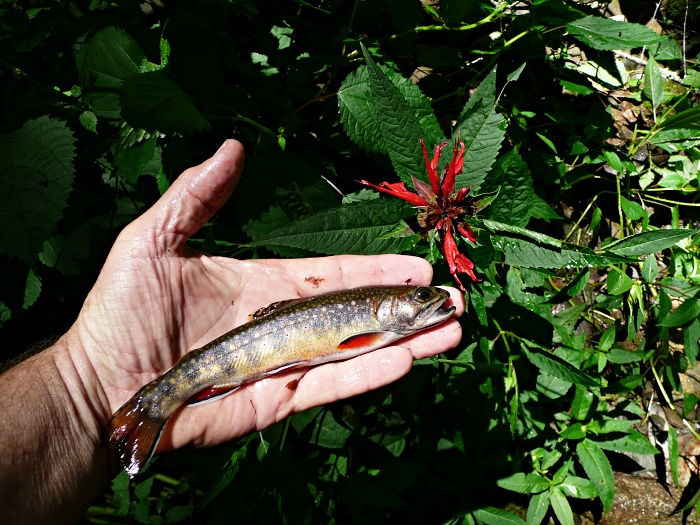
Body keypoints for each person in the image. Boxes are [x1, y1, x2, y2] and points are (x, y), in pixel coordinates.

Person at [0, 140, 464, 524]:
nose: (431, 301)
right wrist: (79, 386)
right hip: (247, 352)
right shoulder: (371, 326)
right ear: (385, 308)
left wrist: (77, 389)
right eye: (421, 300)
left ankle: (145, 406)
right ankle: (153, 403)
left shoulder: (377, 320)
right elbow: (353, 342)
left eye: (421, 299)